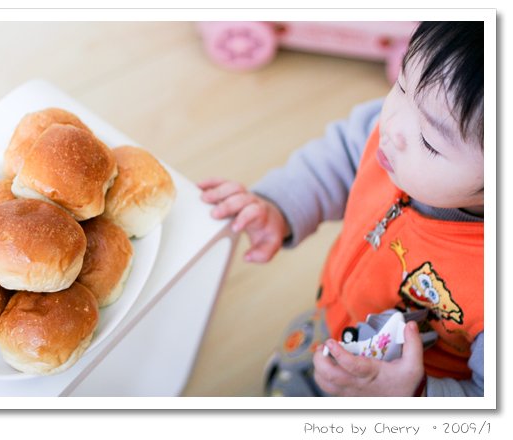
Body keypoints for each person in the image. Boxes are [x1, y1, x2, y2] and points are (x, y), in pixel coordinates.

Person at [198, 21, 484, 397]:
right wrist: (278, 206)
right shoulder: (394, 140)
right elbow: (338, 158)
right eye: (400, 84)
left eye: (430, 142)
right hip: (335, 315)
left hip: (394, 395)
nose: (393, 124)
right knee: (306, 362)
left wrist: (412, 394)